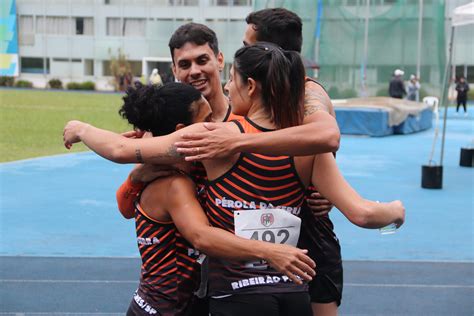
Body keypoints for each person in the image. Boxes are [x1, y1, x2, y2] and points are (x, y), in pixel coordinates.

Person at [63, 42, 405, 315]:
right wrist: (396, 209)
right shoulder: (308, 146)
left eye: (232, 81)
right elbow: (362, 214)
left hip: (238, 296)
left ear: (251, 87)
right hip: (293, 293)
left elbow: (120, 150)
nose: (227, 88)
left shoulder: (216, 138)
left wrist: (81, 128)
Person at [173, 9, 342, 315]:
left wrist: (239, 141)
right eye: (184, 65)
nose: (194, 71)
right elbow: (132, 160)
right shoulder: (177, 113)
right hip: (213, 260)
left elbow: (328, 137)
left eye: (202, 60)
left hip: (292, 252)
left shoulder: (301, 95)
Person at [99, 81, 317, 315]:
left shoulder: (201, 167)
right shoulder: (172, 182)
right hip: (163, 309)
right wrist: (270, 251)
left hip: (189, 305)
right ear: (183, 130)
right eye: (207, 121)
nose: (215, 127)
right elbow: (200, 236)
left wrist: (314, 193)